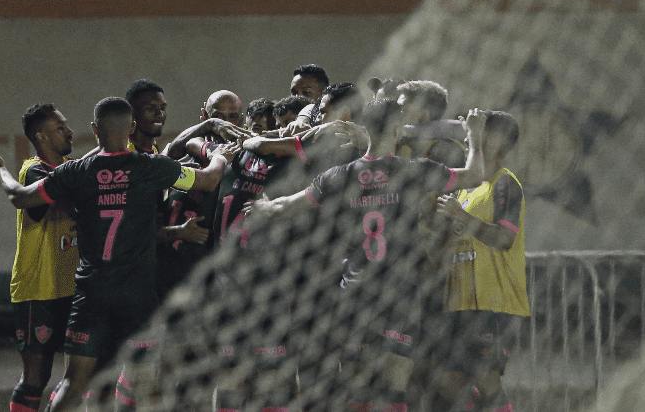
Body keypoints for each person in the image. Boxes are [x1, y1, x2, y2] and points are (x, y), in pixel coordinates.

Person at [0, 96, 235, 412]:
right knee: (141, 386)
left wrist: (1, 169)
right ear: (131, 128)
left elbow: (20, 198)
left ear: (94, 130)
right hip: (137, 297)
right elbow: (210, 179)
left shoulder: (76, 172)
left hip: (91, 295)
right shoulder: (151, 168)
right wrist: (220, 157)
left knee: (75, 383)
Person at [246, 103, 492, 412]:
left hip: (356, 292)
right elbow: (475, 175)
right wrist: (475, 136)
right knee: (394, 389)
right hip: (399, 291)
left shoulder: (339, 175)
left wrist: (262, 205)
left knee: (358, 386)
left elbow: (285, 206)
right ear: (398, 130)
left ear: (364, 130)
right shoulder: (414, 170)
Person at [431, 111, 525, 412]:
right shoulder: (465, 187)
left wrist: (462, 216)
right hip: (459, 301)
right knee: (449, 380)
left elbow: (504, 239)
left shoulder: (505, 183)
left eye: (485, 130)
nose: (476, 134)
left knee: (487, 379)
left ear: (501, 141)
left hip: (492, 302)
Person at [0, 104, 81, 412]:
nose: (69, 132)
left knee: (79, 374)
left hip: (73, 288)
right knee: (35, 379)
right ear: (41, 137)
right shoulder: (34, 170)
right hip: (37, 290)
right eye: (61, 128)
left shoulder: (72, 167)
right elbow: (68, 202)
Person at [163, 89, 251, 160]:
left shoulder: (250, 147)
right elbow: (172, 152)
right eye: (217, 117)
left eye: (233, 117)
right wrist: (209, 125)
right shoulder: (194, 142)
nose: (225, 122)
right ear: (205, 116)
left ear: (241, 119)